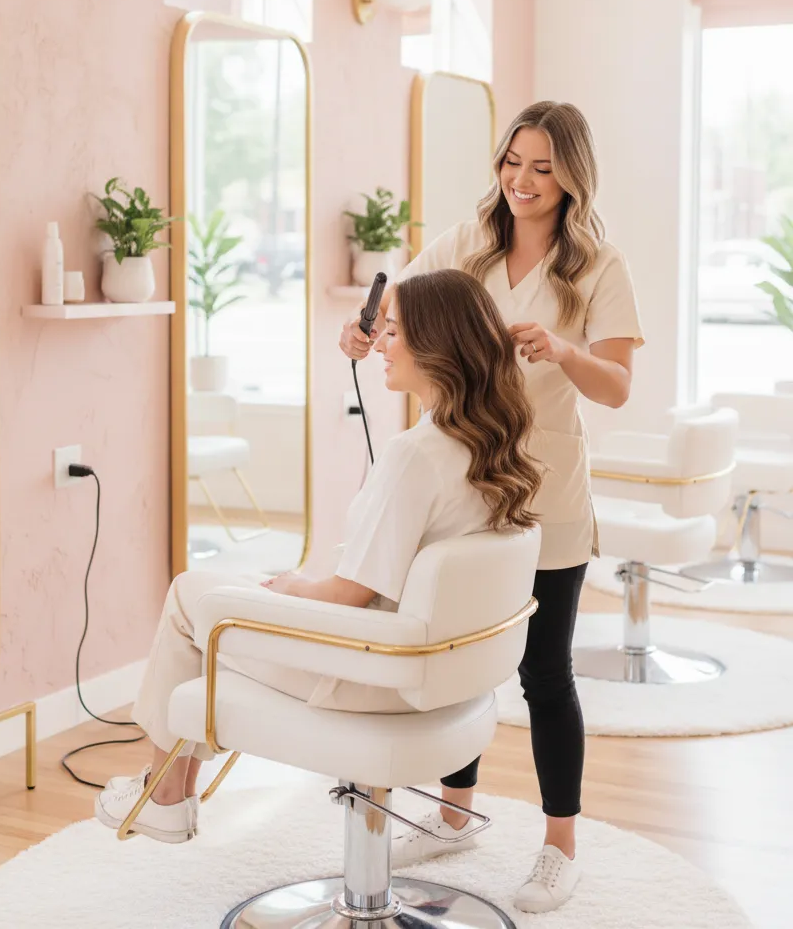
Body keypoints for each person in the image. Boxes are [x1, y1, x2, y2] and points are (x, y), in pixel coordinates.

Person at [96, 269, 542, 845]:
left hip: (369, 671)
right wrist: (298, 586)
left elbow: (349, 595)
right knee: (229, 592)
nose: (380, 343)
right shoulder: (491, 441)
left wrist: (291, 590)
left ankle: (163, 794)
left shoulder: (417, 454)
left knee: (190, 595)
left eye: (395, 331)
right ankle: (167, 791)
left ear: (438, 345)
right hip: (435, 671)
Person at [340, 100, 644, 914]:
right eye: (513, 161)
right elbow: (401, 307)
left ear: (573, 173)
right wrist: (366, 331)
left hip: (548, 493)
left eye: (543, 167)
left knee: (544, 673)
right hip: (462, 485)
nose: (522, 180)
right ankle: (454, 812)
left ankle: (559, 846)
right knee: (454, 654)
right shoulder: (467, 243)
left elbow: (616, 387)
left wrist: (565, 351)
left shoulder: (597, 267)